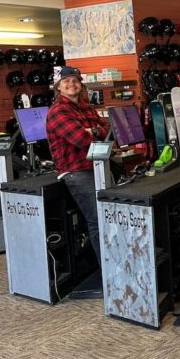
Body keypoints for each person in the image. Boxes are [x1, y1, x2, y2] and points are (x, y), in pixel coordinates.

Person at [46, 66, 111, 265]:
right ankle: (107, 271)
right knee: (98, 220)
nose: (71, 84)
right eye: (66, 81)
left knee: (109, 215)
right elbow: (81, 139)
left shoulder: (85, 107)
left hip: (98, 166)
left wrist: (94, 131)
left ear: (80, 84)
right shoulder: (58, 111)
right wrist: (94, 131)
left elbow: (108, 129)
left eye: (75, 80)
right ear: (58, 87)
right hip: (77, 171)